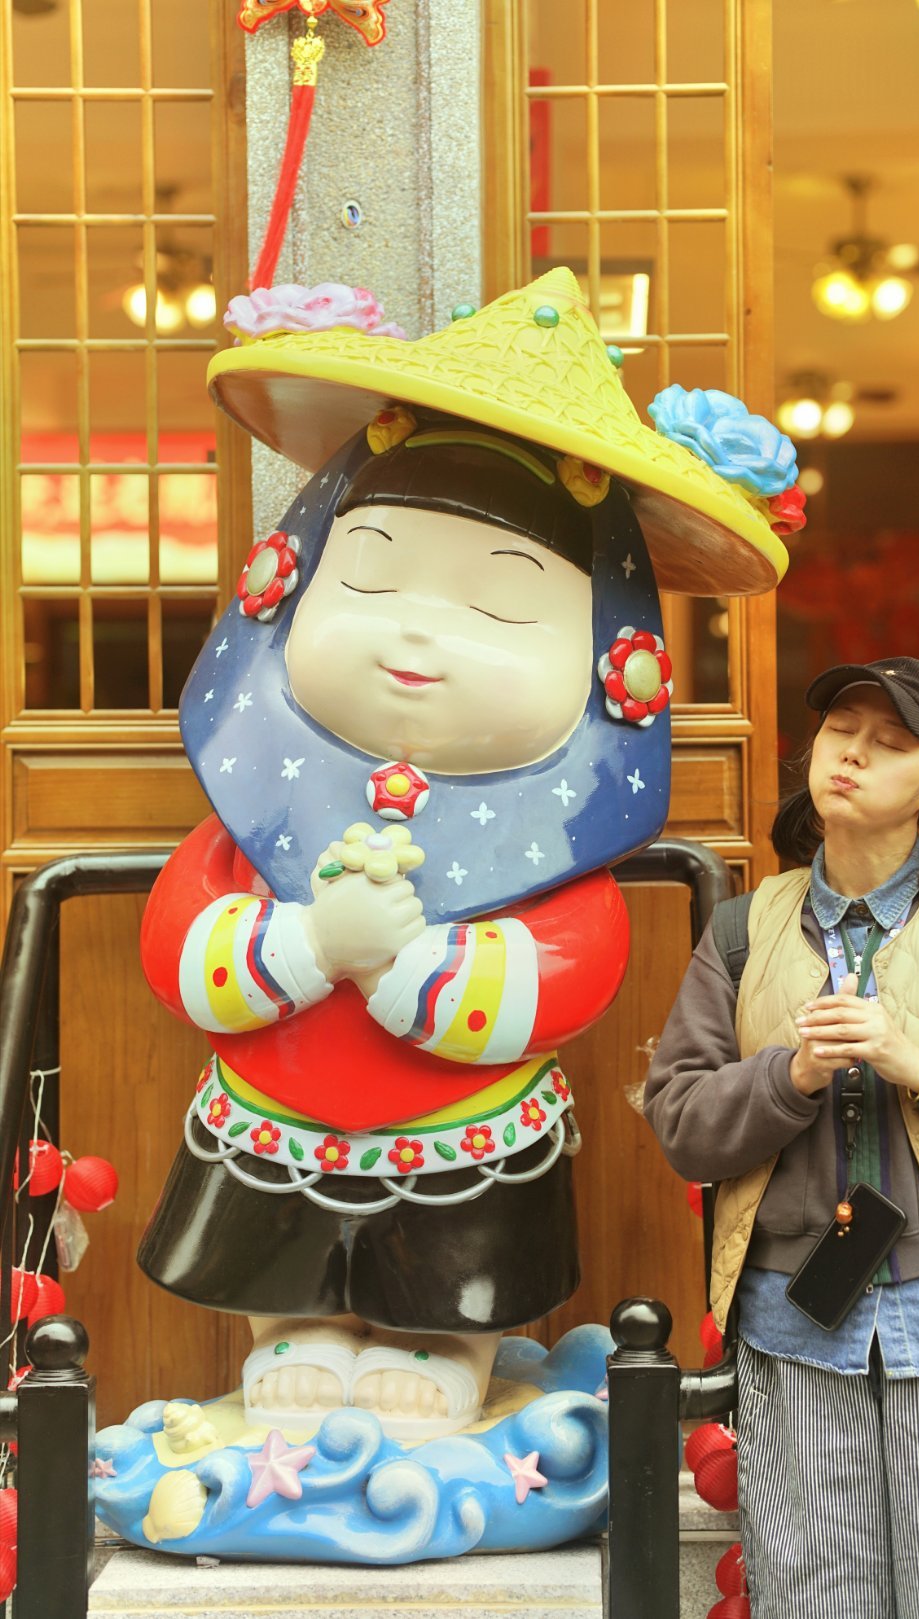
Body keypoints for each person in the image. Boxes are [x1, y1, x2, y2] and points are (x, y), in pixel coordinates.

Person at [134, 268, 799, 1443]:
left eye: (498, 610)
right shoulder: (255, 814)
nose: (415, 635)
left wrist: (411, 971)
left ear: (607, 655)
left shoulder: (556, 853)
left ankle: (447, 1342)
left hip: (464, 1117)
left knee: (453, 1254)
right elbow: (178, 930)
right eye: (371, 574)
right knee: (273, 1252)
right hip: (272, 1101)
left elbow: (577, 961)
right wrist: (305, 940)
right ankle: (289, 1330)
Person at [645, 656, 919, 1619]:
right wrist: (791, 1075)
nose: (851, 754)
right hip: (795, 1324)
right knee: (815, 1601)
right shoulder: (741, 933)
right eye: (841, 732)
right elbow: (681, 1121)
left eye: (889, 744)